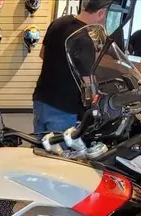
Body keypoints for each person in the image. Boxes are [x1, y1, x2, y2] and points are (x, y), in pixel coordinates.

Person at [33, 0, 112, 133]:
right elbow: (88, 82)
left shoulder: (58, 23)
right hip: (63, 107)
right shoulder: (84, 39)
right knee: (60, 146)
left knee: (40, 142)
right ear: (101, 13)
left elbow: (42, 54)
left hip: (41, 98)